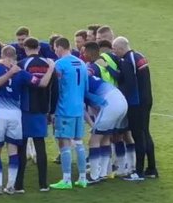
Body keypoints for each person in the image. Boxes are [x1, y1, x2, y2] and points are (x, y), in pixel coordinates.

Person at [40, 36, 90, 190]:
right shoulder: (81, 63)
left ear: (60, 47)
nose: (55, 51)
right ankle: (82, 178)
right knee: (79, 142)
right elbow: (86, 88)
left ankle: (67, 179)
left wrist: (52, 111)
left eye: (55, 48)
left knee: (64, 142)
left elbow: (55, 88)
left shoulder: (60, 64)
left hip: (64, 108)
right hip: (78, 109)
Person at [0, 47, 31, 195]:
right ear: (15, 56)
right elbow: (38, 82)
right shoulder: (21, 72)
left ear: (2, 55)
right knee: (13, 150)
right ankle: (10, 186)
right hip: (15, 115)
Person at [15, 37, 55, 193]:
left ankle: (19, 185)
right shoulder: (49, 64)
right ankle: (43, 184)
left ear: (25, 48)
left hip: (25, 108)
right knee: (40, 146)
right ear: (38, 48)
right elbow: (54, 89)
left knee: (22, 147)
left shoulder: (22, 64)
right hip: (42, 108)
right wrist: (51, 110)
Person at [115, 38, 156, 180]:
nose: (114, 52)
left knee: (138, 136)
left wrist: (120, 97)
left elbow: (130, 84)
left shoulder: (127, 61)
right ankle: (152, 169)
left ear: (121, 48)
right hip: (147, 99)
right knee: (145, 133)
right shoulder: (139, 56)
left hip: (136, 103)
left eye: (115, 49)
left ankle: (138, 172)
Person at [84, 73, 128, 183]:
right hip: (122, 101)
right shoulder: (89, 79)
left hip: (110, 104)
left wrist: (93, 125)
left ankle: (94, 175)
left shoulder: (79, 84)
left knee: (94, 140)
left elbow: (92, 104)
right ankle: (104, 172)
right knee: (105, 137)